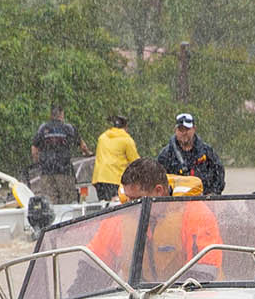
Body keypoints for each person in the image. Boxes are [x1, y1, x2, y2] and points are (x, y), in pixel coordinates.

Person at [89, 159, 220, 284]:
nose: (130, 206)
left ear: (159, 191)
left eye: (137, 200)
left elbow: (204, 272)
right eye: (128, 198)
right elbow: (92, 269)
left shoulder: (196, 214)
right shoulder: (118, 219)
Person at [158, 113, 225, 197]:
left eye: (187, 129)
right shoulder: (165, 155)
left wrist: (212, 195)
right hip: (176, 205)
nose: (184, 133)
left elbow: (219, 175)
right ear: (175, 130)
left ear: (194, 129)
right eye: (181, 129)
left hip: (204, 203)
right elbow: (159, 181)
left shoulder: (207, 152)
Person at [30, 105, 82, 204]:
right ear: (61, 115)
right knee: (67, 200)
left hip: (47, 171)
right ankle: (67, 219)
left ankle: (54, 218)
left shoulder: (43, 128)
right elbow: (82, 145)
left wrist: (37, 162)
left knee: (50, 201)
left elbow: (34, 148)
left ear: (51, 115)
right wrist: (87, 152)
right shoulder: (68, 128)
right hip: (64, 170)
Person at [91, 115, 140, 202]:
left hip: (99, 179)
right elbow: (136, 163)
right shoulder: (126, 140)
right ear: (125, 127)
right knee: (117, 207)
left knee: (105, 206)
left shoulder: (102, 138)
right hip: (115, 179)